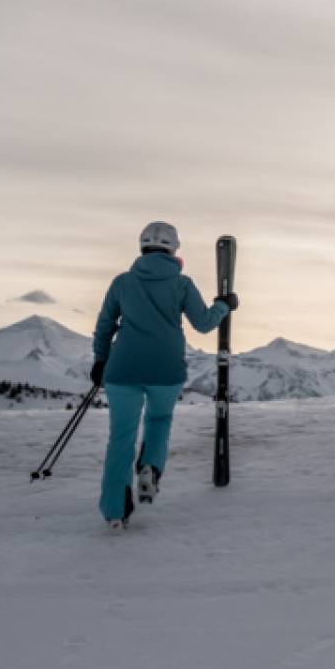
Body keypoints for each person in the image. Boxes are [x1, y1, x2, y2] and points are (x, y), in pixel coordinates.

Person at [91, 221, 237, 529]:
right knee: (159, 421)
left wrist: (100, 361)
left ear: (142, 247)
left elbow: (105, 325)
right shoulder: (182, 284)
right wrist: (224, 305)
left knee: (121, 437)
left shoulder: (122, 283)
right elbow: (204, 323)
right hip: (166, 368)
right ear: (173, 249)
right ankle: (151, 468)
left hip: (123, 369)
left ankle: (115, 510)